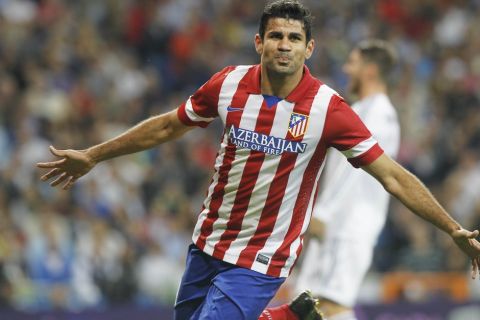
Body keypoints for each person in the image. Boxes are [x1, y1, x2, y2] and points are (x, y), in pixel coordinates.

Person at [36, 1, 480, 319]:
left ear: (309, 49)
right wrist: (94, 155)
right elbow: (169, 125)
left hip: (263, 255)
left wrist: (452, 228)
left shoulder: (329, 109)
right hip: (208, 241)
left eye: (294, 38)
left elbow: (394, 177)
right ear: (258, 42)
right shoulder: (228, 85)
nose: (283, 45)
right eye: (275, 36)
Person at [276, 39, 401, 320]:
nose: (346, 69)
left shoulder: (381, 113)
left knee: (330, 304)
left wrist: (323, 211)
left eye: (352, 63)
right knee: (308, 305)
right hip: (336, 223)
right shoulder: (361, 110)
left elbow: (356, 170)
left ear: (370, 71)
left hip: (352, 225)